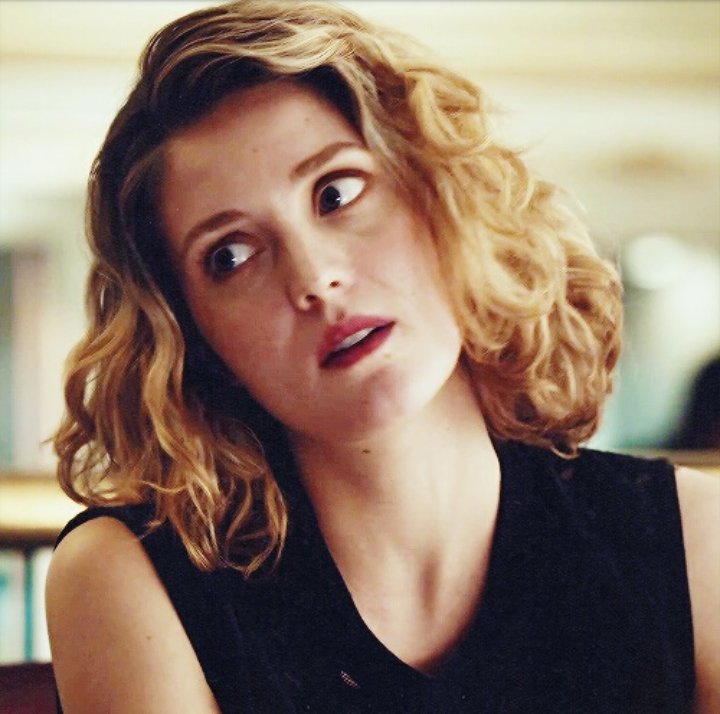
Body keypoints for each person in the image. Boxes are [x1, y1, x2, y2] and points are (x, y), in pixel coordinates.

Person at [45, 1, 720, 712]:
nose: (314, 279)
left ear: (444, 196)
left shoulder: (693, 539)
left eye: (336, 193)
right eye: (231, 255)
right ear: (192, 338)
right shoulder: (131, 577)